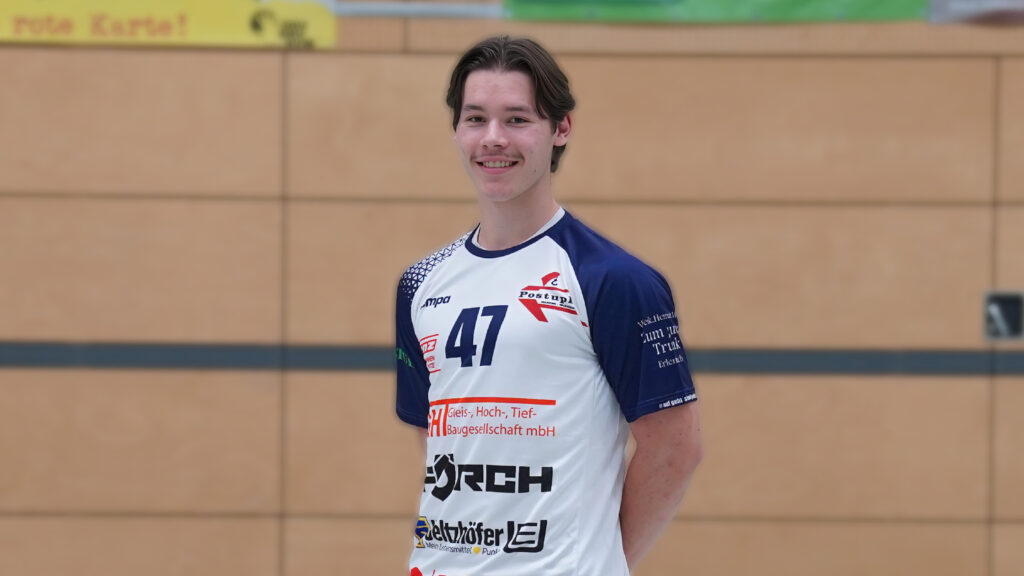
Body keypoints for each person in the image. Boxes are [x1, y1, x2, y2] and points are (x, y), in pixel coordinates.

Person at [395, 35, 702, 575]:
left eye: (517, 119)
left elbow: (675, 451)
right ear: (456, 130)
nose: (493, 138)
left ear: (561, 128)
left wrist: (599, 562)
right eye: (475, 119)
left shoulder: (614, 280)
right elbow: (442, 442)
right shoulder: (420, 284)